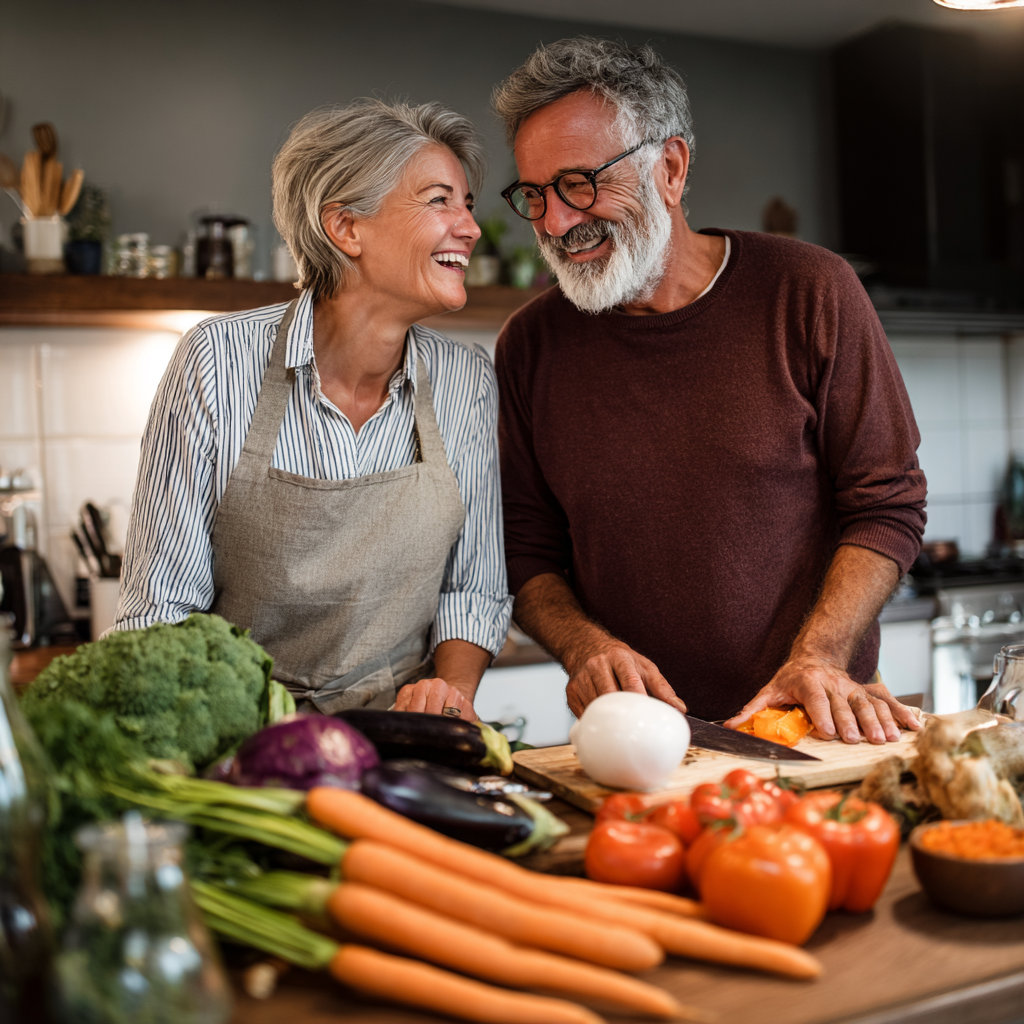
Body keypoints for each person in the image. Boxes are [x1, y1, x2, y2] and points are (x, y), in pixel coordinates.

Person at [492, 38, 927, 745]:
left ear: (669, 167)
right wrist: (583, 647)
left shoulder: (809, 290)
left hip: (817, 723)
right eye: (534, 194)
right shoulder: (531, 344)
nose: (555, 222)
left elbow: (888, 503)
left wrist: (818, 657)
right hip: (638, 742)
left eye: (580, 183)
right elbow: (525, 548)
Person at [116, 100, 511, 720]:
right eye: (440, 201)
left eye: (466, 203)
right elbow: (160, 610)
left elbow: (474, 589)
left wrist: (450, 694)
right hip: (238, 738)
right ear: (346, 227)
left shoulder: (466, 382)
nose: (469, 227)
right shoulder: (216, 361)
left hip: (404, 744)